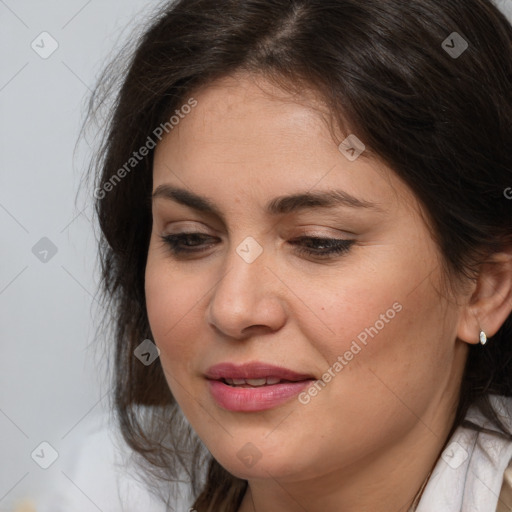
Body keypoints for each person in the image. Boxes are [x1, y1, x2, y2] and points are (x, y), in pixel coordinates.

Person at [83, 0, 512, 510]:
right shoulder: (92, 485)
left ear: (485, 288)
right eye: (190, 238)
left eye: (318, 242)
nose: (233, 309)